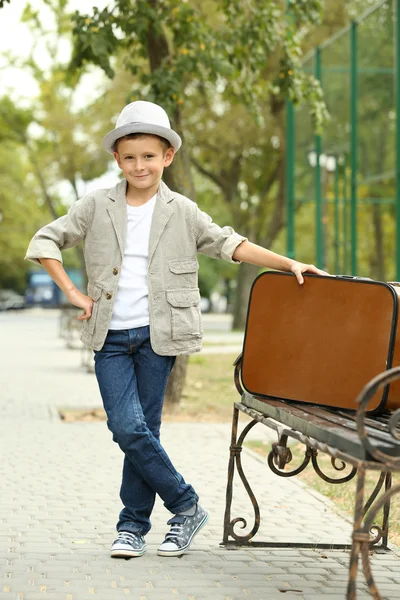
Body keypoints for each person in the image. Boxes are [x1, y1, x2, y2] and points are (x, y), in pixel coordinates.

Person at [25, 100, 327, 559]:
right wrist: (69, 289)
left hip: (158, 335)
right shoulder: (96, 205)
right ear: (117, 160)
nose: (139, 165)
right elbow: (46, 238)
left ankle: (131, 527)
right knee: (127, 427)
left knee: (145, 430)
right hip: (109, 336)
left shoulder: (182, 211)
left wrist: (288, 264)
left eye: (149, 156)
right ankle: (185, 504)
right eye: (130, 157)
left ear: (167, 156)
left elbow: (232, 244)